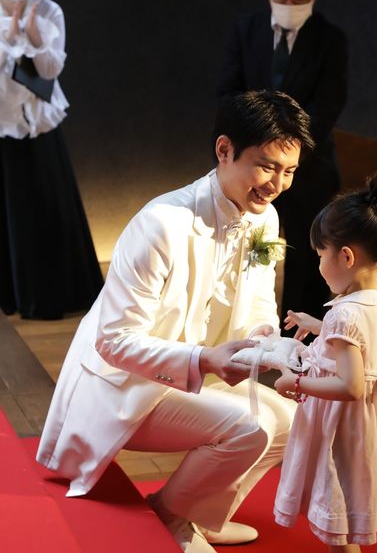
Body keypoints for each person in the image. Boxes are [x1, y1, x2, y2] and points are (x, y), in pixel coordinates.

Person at [36, 90, 315, 553]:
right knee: (251, 427)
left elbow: (259, 303)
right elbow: (113, 341)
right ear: (224, 149)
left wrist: (269, 345)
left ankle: (200, 514)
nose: (277, 184)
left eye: (289, 171)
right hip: (128, 384)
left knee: (291, 420)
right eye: (267, 167)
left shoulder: (265, 219)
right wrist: (204, 359)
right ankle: (169, 515)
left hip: (202, 370)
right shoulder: (162, 223)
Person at [273, 173, 377, 552]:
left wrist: (295, 383)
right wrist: (319, 326)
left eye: (321, 256)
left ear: (346, 256)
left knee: (339, 499)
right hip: (368, 421)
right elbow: (360, 348)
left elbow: (350, 386)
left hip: (343, 426)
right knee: (350, 497)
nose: (319, 265)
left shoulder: (345, 314)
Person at [217, 0, 348, 323]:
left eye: (298, 2)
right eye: (282, 0)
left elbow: (328, 105)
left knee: (308, 256)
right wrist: (257, 146)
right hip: (251, 160)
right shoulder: (246, 30)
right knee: (244, 245)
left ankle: (300, 337)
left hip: (310, 163)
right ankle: (240, 325)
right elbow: (228, 93)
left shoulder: (330, 39)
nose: (289, 7)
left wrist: (286, 153)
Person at [0, 0, 103, 319]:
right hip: (3, 125)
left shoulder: (48, 10)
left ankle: (59, 294)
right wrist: (9, 41)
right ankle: (12, 294)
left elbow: (50, 70)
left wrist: (33, 39)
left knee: (49, 206)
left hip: (40, 124)